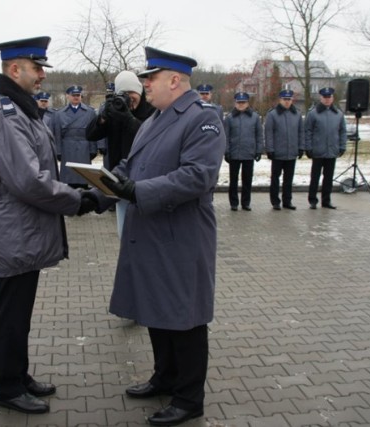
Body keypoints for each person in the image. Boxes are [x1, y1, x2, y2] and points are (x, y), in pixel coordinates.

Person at [93, 46, 225, 426]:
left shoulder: (203, 119)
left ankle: (188, 398)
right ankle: (164, 377)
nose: (144, 83)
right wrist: (99, 189)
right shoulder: (153, 120)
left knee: (184, 317)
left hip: (180, 236)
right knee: (157, 310)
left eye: (150, 77)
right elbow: (128, 167)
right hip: (150, 232)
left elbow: (198, 176)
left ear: (173, 80)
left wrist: (137, 192)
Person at [0, 35, 95, 414]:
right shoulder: (6, 116)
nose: (42, 75)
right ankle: (8, 388)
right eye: (37, 68)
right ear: (14, 70)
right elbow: (27, 180)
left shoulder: (18, 109)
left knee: (18, 312)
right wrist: (78, 200)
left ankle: (18, 375)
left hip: (21, 229)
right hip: (15, 231)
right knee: (11, 313)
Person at [86, 70, 155, 236]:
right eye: (123, 94)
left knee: (145, 232)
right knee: (124, 232)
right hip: (118, 178)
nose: (129, 98)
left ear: (140, 91)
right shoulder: (115, 111)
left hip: (144, 181)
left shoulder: (152, 111)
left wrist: (128, 119)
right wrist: (103, 117)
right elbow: (90, 135)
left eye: (132, 93)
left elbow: (149, 138)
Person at [305, 87, 347, 209]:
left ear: (332, 98)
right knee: (315, 177)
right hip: (318, 150)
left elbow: (342, 132)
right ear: (321, 98)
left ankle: (326, 200)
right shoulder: (313, 113)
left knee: (328, 178)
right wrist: (308, 147)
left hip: (332, 151)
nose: (327, 99)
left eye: (329, 97)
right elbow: (308, 131)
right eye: (325, 97)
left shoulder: (338, 114)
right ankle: (313, 200)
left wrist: (342, 146)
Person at [264, 89, 304, 210]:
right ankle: (275, 201)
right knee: (275, 178)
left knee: (289, 179)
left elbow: (301, 132)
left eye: (289, 99)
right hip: (277, 152)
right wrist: (269, 149)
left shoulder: (297, 114)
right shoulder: (272, 114)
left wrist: (301, 147)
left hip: (291, 152)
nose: (287, 102)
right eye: (284, 99)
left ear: (292, 100)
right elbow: (269, 133)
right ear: (280, 100)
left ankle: (287, 201)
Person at [224, 91, 263, 211]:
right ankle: (234, 203)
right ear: (235, 103)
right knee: (233, 180)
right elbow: (226, 136)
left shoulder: (255, 117)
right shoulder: (230, 118)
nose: (241, 105)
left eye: (243, 102)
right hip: (234, 153)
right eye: (239, 102)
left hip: (248, 153)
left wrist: (258, 150)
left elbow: (259, 135)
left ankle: (246, 202)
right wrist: (226, 151)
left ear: (247, 103)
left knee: (247, 180)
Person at [53, 85, 97, 188]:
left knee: (84, 177)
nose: (76, 97)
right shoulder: (59, 114)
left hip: (84, 149)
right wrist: (58, 151)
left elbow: (93, 132)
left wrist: (93, 149)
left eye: (78, 95)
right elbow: (57, 134)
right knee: (70, 179)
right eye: (73, 95)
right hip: (67, 149)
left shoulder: (90, 112)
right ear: (68, 96)